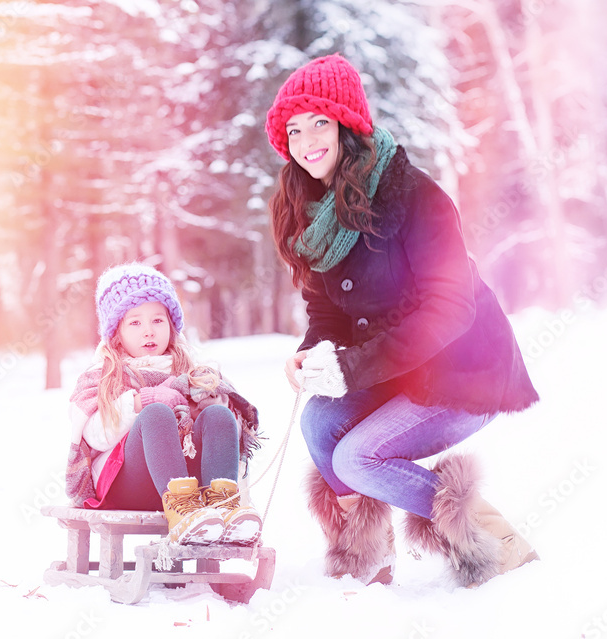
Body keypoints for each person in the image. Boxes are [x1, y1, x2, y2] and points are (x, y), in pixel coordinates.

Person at [264, 54, 540, 586]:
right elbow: (325, 309)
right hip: (396, 372)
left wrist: (353, 367)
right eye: (293, 130)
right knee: (319, 422)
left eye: (320, 121)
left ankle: (494, 540)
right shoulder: (316, 211)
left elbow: (450, 307)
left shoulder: (415, 196)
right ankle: (370, 557)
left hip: (464, 374)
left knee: (358, 459)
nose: (306, 140)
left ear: (349, 126)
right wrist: (315, 352)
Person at [65, 262, 262, 545]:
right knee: (156, 413)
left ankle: (224, 506)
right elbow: (96, 435)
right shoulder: (104, 374)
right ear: (116, 331)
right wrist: (141, 401)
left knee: (218, 414)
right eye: (135, 322)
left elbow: (223, 426)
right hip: (129, 484)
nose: (148, 331)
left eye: (157, 320)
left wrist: (209, 401)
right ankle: (183, 514)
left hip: (192, 484)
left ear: (171, 324)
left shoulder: (189, 370)